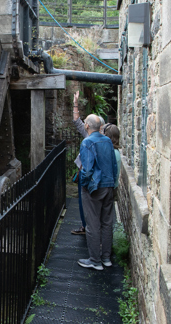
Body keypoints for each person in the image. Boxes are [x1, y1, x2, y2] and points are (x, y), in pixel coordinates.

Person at [77, 114, 118, 271]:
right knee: (107, 223)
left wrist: (85, 186)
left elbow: (87, 170)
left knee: (92, 224)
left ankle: (95, 260)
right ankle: (106, 258)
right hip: (109, 185)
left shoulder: (87, 142)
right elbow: (113, 164)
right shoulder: (107, 140)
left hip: (94, 188)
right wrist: (112, 184)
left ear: (87, 125)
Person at [71, 91, 105, 236]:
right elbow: (76, 120)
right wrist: (75, 103)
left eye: (86, 123)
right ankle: (86, 226)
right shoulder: (88, 134)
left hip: (94, 176)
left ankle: (92, 229)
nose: (84, 124)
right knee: (83, 202)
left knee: (92, 203)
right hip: (87, 174)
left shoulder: (103, 139)